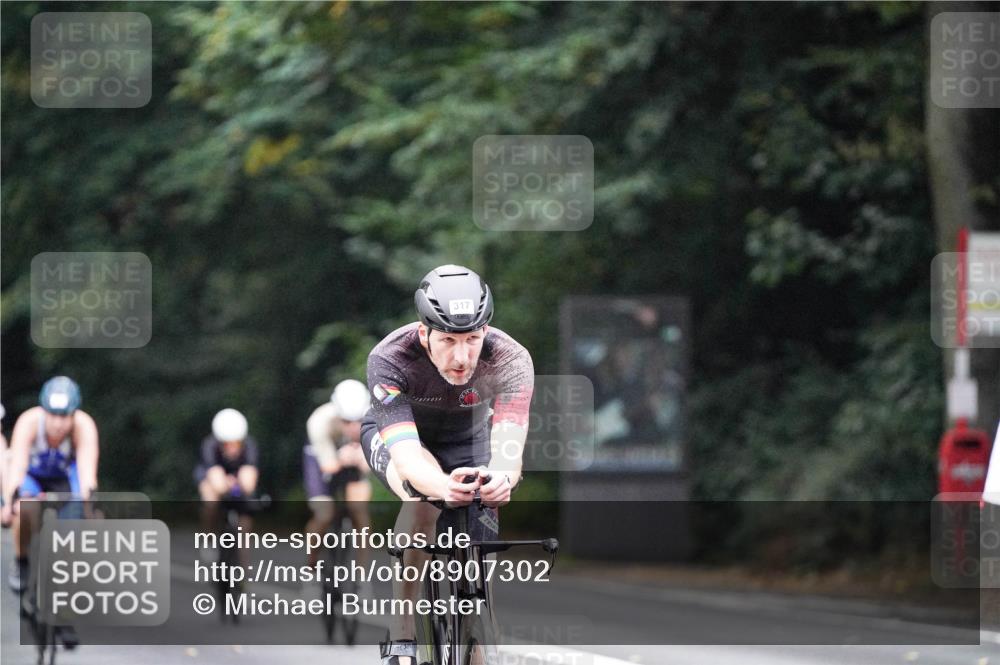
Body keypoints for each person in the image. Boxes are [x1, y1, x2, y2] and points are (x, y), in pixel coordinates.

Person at [360, 265, 534, 665]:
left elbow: (508, 445)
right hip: (403, 436)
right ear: (424, 334)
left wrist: (502, 479)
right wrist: (441, 488)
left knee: (482, 524)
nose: (462, 356)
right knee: (422, 500)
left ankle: (476, 639)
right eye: (449, 340)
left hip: (468, 437)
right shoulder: (391, 357)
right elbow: (407, 458)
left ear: (486, 332)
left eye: (472, 339)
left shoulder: (510, 358)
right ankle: (402, 632)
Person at [1, 377, 99, 601]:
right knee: (24, 508)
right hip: (32, 476)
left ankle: (64, 599)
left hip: (65, 477)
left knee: (76, 525)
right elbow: (17, 466)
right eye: (52, 414)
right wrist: (10, 501)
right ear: (43, 410)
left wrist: (90, 506)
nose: (57, 423)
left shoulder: (84, 426)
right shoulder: (29, 422)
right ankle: (21, 560)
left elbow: (87, 473)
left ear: (74, 414)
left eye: (64, 416)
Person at [302, 379, 373, 590]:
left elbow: (375, 463)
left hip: (350, 459)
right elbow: (329, 465)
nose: (353, 427)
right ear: (336, 415)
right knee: (323, 514)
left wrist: (361, 459)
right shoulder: (319, 421)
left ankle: (361, 578)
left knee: (359, 511)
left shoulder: (375, 417)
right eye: (346, 421)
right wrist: (344, 458)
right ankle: (311, 571)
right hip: (322, 459)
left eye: (358, 420)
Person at [194, 408, 260, 563]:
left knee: (246, 516)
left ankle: (242, 569)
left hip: (237, 476)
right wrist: (225, 484)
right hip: (212, 475)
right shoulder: (209, 445)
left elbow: (249, 478)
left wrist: (241, 485)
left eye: (236, 443)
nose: (232, 448)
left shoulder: (250, 445)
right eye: (227, 444)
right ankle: (209, 540)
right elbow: (215, 477)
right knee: (211, 499)